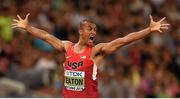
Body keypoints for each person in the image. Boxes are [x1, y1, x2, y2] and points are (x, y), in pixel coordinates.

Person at [12, 13, 169, 98]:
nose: (93, 32)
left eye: (95, 29)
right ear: (81, 31)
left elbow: (124, 40)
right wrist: (27, 27)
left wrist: (148, 30)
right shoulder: (68, 48)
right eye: (90, 29)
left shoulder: (96, 51)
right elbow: (46, 36)